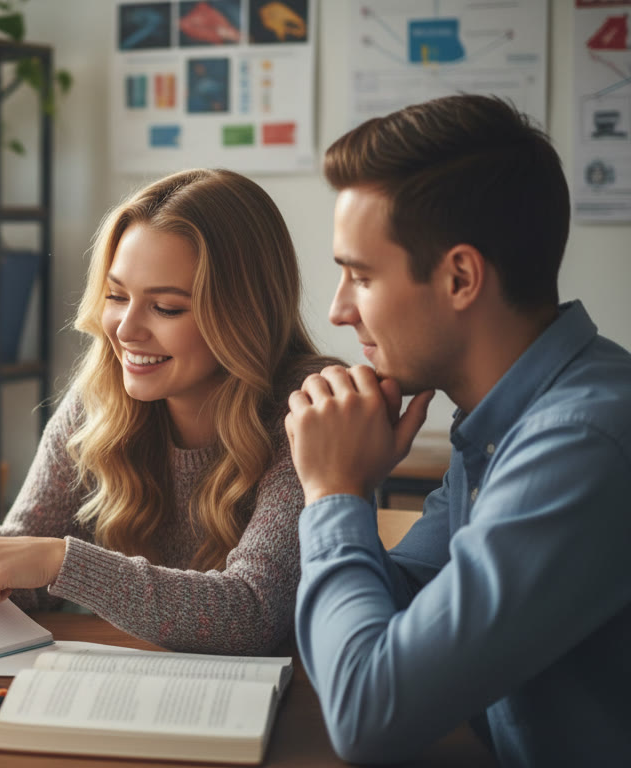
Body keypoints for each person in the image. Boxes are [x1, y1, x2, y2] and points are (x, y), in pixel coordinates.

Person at [286, 94, 631, 766]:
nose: (337, 311)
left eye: (360, 276)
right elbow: (405, 611)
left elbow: (367, 715)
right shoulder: (503, 419)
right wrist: (346, 492)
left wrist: (334, 490)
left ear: (461, 277)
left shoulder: (581, 442)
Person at [0, 168, 338, 654]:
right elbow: (28, 547)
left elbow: (253, 612)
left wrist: (61, 562)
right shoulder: (101, 398)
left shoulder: (312, 410)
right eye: (117, 296)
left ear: (244, 313)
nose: (125, 330)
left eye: (165, 307)